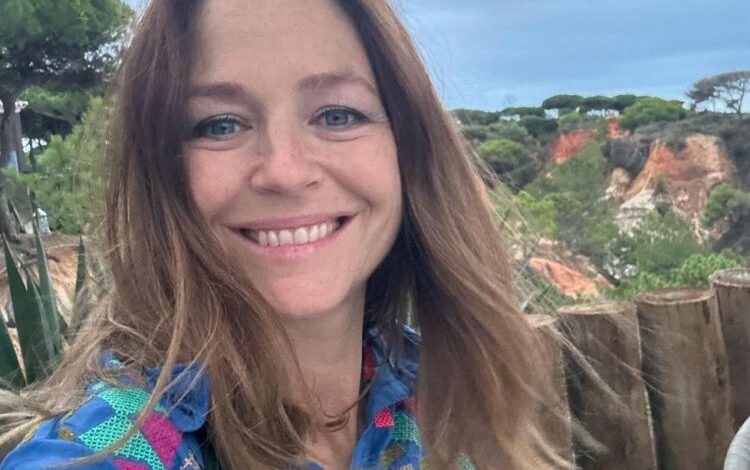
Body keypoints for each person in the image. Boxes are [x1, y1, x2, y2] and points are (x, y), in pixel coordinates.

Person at [0, 0, 568, 468]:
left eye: (337, 115)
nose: (285, 171)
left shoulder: (449, 388)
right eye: (221, 124)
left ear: (409, 148)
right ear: (161, 175)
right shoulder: (104, 451)